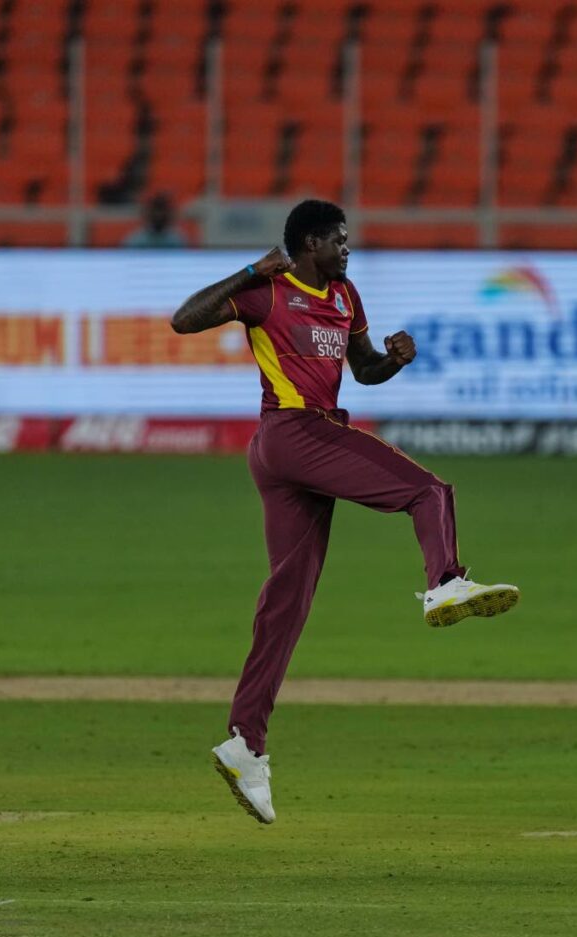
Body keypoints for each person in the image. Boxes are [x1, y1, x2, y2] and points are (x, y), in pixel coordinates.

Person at [170, 199, 519, 826]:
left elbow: (363, 370)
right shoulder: (268, 292)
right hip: (294, 433)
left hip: (293, 449)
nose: (347, 249)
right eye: (338, 240)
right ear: (308, 243)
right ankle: (445, 584)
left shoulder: (346, 295)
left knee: (287, 604)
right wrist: (252, 269)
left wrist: (394, 359)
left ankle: (245, 742)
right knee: (430, 492)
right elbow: (182, 320)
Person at [122, 192, 188, 248]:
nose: (158, 215)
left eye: (162, 210)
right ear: (147, 213)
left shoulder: (177, 239)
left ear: (169, 214)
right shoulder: (135, 239)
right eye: (155, 211)